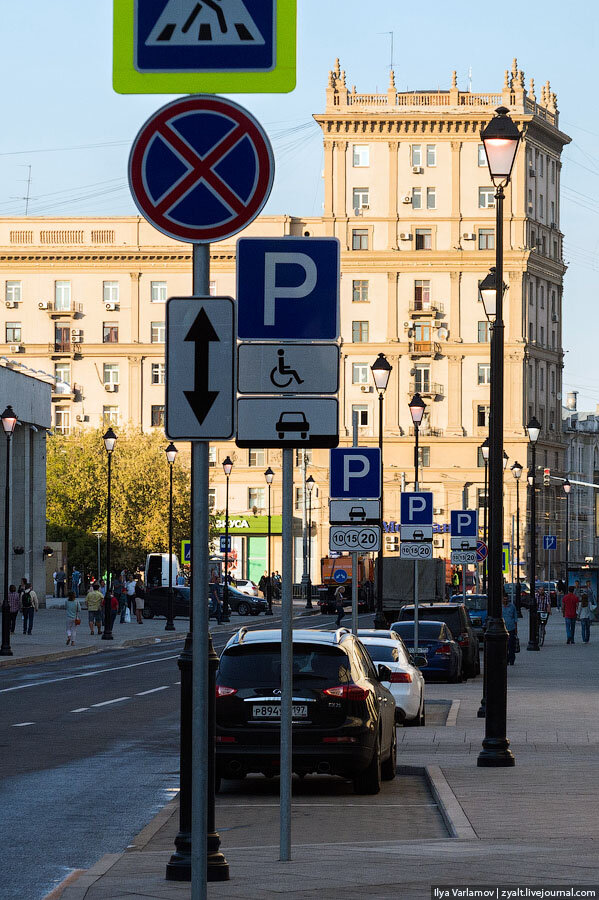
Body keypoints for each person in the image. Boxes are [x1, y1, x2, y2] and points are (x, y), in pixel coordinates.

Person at [501, 592, 518, 665]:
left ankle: (511, 659)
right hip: (502, 629)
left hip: (511, 628)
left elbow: (515, 618)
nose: (505, 601)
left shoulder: (512, 606)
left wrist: (516, 629)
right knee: (505, 646)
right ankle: (506, 659)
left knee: (511, 645)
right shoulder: (500, 607)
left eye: (506, 599)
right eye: (504, 599)